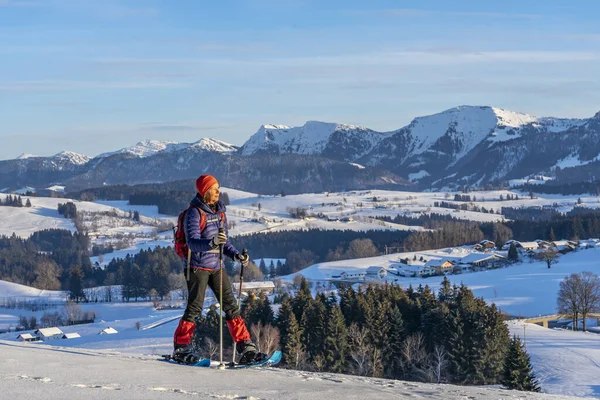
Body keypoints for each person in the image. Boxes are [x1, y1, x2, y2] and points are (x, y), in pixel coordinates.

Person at [172, 174, 264, 365]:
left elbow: (225, 242)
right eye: (214, 189)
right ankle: (181, 348)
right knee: (195, 308)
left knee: (231, 306)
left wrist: (236, 256)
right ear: (205, 191)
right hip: (197, 267)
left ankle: (246, 347)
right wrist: (211, 242)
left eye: (218, 188)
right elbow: (193, 243)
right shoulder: (194, 213)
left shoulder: (220, 212)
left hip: (217, 266)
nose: (218, 192)